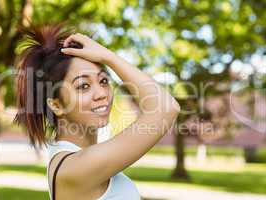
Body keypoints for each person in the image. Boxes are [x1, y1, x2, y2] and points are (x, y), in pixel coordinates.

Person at [14, 23, 180, 200]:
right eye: (83, 86)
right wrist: (109, 57)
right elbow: (167, 108)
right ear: (57, 105)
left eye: (103, 81)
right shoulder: (75, 168)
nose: (101, 94)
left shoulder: (78, 159)